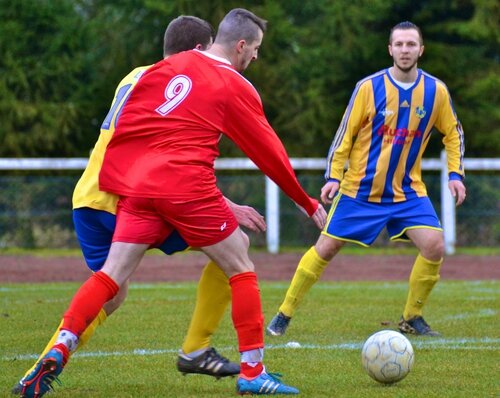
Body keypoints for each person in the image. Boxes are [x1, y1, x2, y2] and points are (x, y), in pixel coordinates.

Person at [18, 8, 327, 397]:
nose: (256, 58)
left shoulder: (161, 67)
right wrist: (304, 200)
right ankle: (251, 371)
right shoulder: (232, 83)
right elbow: (267, 150)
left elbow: (129, 123)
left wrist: (125, 176)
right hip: (183, 188)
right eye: (257, 49)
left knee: (111, 277)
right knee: (241, 265)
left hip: (134, 188)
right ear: (242, 45)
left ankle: (59, 347)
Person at [267, 21, 466, 339]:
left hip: (407, 191)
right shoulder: (368, 88)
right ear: (390, 49)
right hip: (359, 190)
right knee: (326, 248)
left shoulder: (435, 92)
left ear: (421, 49)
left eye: (411, 44)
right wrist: (333, 175)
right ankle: (284, 313)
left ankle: (411, 317)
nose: (405, 50)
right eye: (399, 44)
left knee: (434, 245)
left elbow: (453, 133)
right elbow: (344, 135)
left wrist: (455, 174)